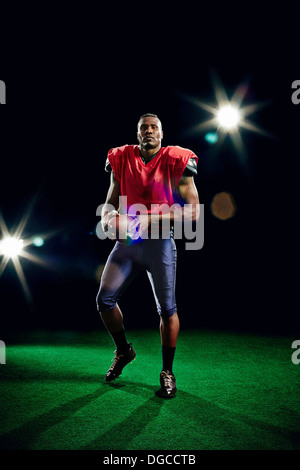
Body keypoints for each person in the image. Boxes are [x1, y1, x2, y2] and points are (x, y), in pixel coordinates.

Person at [96, 113, 199, 397]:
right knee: (104, 300)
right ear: (137, 134)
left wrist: (152, 219)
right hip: (129, 242)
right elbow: (109, 202)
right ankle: (123, 351)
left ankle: (168, 371)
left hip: (160, 242)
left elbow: (193, 211)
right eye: (144, 128)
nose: (149, 131)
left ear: (162, 134)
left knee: (167, 309)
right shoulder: (121, 157)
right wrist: (107, 219)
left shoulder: (176, 159)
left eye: (154, 127)